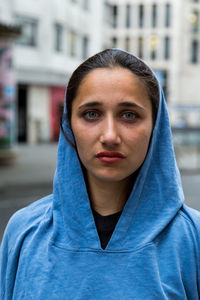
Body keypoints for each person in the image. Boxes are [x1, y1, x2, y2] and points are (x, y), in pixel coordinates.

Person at [0, 48, 200, 299]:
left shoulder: (193, 238)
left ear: (156, 126)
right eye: (91, 114)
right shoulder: (24, 231)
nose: (109, 136)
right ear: (68, 125)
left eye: (129, 115)